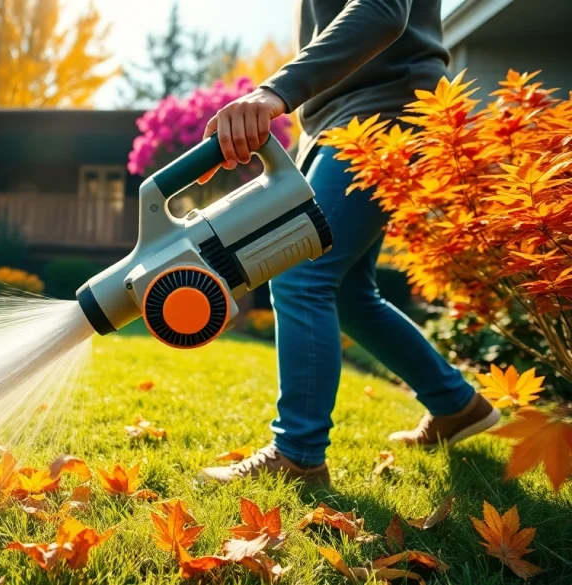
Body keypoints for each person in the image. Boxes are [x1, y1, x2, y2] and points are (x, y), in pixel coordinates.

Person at [197, 0, 500, 486]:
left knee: (301, 271)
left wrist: (274, 92)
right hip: (342, 122)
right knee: (348, 293)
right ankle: (456, 405)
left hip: (381, 114)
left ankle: (297, 453)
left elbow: (382, 9)